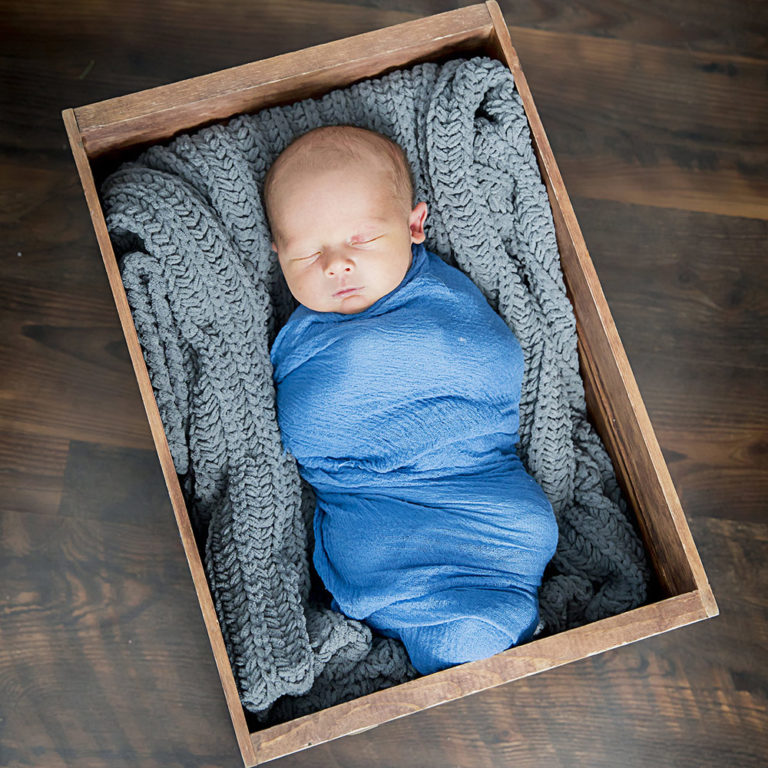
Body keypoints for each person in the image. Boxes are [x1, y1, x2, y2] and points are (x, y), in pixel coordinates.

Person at [265, 124, 559, 675]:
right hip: (371, 501)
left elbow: (493, 361)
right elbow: (295, 427)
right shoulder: (297, 334)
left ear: (414, 225)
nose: (335, 265)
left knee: (522, 525)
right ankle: (467, 637)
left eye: (361, 240)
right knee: (369, 551)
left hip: (477, 487)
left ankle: (488, 622)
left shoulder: (441, 296)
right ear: (277, 255)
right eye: (306, 253)